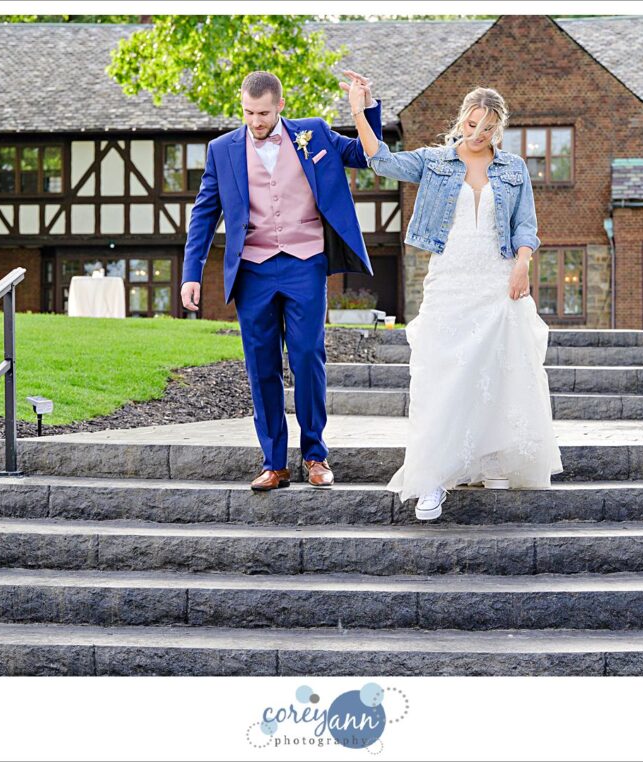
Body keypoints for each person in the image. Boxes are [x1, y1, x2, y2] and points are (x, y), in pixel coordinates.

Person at [349, 83, 564, 520]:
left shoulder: (514, 169)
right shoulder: (434, 162)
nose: (477, 133)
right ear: (460, 119)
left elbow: (526, 225)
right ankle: (432, 477)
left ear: (499, 128)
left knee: (499, 371)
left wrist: (522, 264)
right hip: (450, 280)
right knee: (441, 375)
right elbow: (381, 160)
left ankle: (493, 460)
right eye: (470, 124)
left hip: (498, 279)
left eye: (487, 128)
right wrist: (362, 110)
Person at [181, 70, 384, 491]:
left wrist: (363, 110)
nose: (256, 121)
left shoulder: (314, 134)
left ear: (281, 106)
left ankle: (315, 455)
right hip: (252, 269)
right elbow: (204, 214)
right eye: (248, 112)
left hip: (304, 261)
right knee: (261, 366)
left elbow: (368, 156)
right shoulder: (222, 150)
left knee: (308, 356)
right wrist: (191, 273)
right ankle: (274, 462)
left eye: (264, 113)